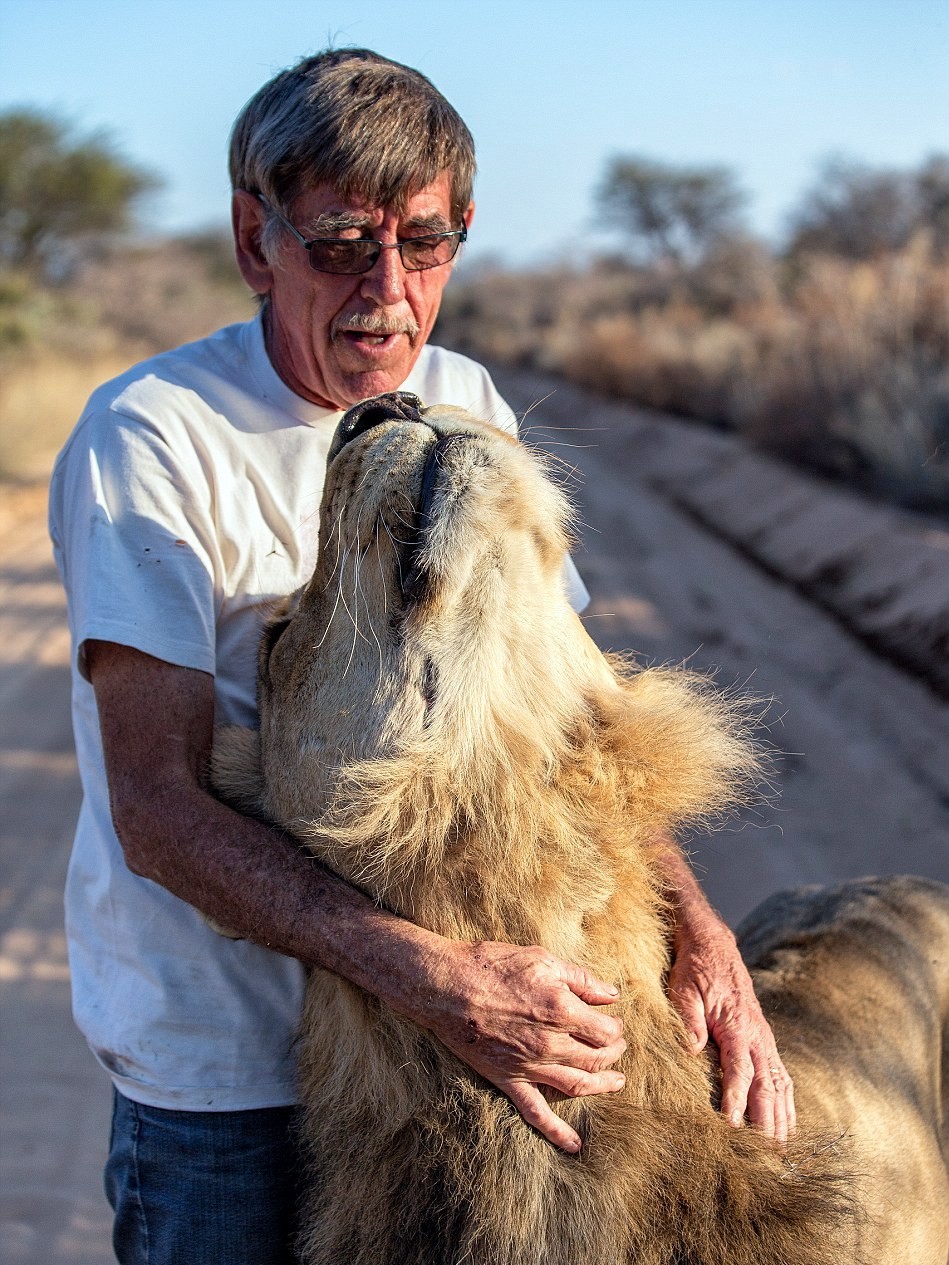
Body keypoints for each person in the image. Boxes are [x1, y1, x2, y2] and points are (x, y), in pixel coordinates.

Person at [49, 48, 794, 1265]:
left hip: (439, 1053)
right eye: (339, 240)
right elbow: (159, 811)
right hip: (235, 1072)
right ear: (256, 240)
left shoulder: (464, 401)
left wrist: (700, 936)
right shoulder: (151, 440)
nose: (384, 288)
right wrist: (436, 980)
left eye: (425, 241)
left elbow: (572, 722)